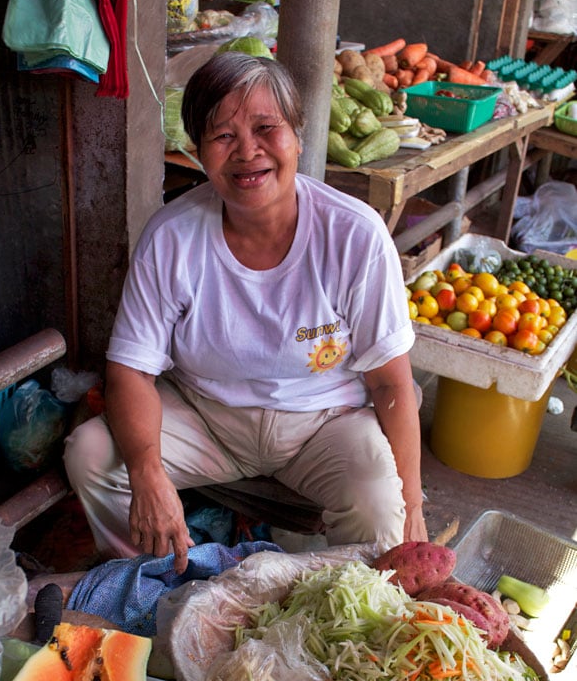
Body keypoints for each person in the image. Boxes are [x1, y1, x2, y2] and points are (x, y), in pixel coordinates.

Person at [63, 52, 428, 576]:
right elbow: (131, 369)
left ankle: (335, 622)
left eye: (266, 128)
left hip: (324, 424)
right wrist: (147, 473)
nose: (247, 152)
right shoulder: (171, 237)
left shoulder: (354, 235)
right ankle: (152, 586)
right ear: (197, 152)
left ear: (297, 136)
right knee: (91, 455)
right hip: (207, 416)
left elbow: (392, 383)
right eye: (223, 136)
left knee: (377, 507)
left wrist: (411, 506)